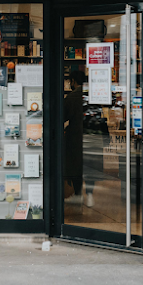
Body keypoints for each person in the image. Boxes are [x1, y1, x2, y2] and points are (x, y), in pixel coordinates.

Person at [63, 70, 86, 205]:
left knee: (75, 165)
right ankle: (89, 194)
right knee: (88, 165)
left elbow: (62, 116)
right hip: (89, 134)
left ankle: (78, 193)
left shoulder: (72, 97)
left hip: (75, 137)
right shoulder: (90, 95)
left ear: (73, 81)